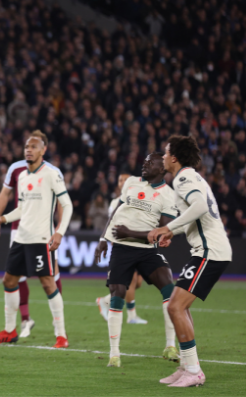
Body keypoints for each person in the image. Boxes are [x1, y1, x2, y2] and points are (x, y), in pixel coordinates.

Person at [148, 136, 233, 387]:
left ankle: (194, 371)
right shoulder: (188, 177)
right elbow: (193, 215)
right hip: (206, 250)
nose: (162, 157)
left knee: (175, 306)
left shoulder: (184, 177)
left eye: (165, 153)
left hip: (210, 251)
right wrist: (173, 233)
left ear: (174, 157)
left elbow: (199, 208)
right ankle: (187, 366)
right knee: (178, 306)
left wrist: (167, 228)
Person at [0, 133, 73, 348]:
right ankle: (9, 331)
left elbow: (68, 205)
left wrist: (60, 232)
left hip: (41, 239)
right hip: (21, 238)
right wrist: (3, 218)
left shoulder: (52, 174)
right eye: (26, 146)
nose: (28, 150)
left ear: (43, 150)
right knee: (9, 281)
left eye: (34, 147)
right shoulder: (22, 176)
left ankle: (61, 335)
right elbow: (22, 208)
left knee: (47, 283)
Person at [93, 153, 179, 368]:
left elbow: (163, 231)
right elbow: (116, 213)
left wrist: (130, 232)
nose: (145, 164)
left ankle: (170, 345)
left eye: (151, 162)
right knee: (117, 294)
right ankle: (114, 354)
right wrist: (104, 238)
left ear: (162, 169)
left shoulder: (168, 195)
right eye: (145, 161)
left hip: (147, 249)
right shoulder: (131, 182)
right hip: (121, 249)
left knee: (169, 286)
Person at [96, 173, 149, 325]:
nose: (123, 182)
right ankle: (132, 315)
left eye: (126, 179)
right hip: (124, 246)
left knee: (137, 283)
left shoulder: (138, 199)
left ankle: (105, 301)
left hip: (137, 244)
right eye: (120, 180)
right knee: (131, 281)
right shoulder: (115, 202)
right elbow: (115, 222)